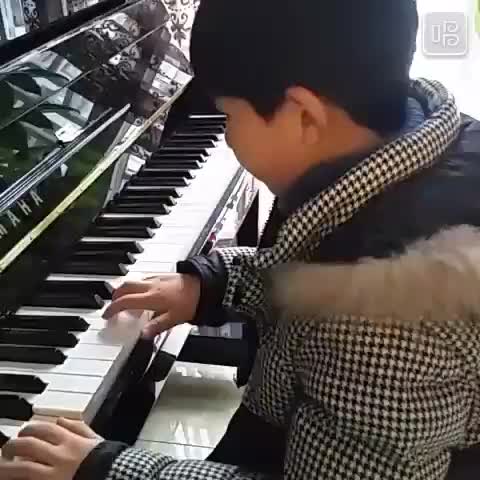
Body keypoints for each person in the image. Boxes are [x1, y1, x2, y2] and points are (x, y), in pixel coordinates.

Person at [2, 0, 480, 479]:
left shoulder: (386, 326)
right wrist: (218, 283)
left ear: (304, 116)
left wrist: (112, 469)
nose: (227, 136)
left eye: (227, 115)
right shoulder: (422, 145)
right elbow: (324, 270)